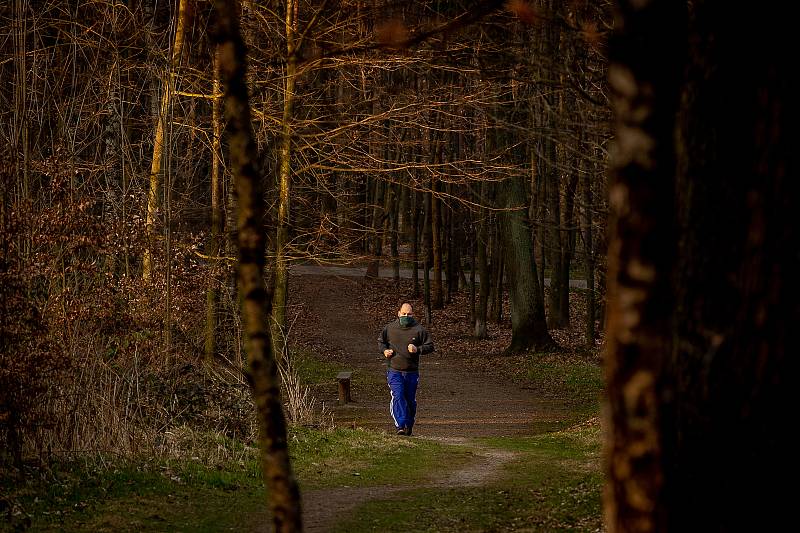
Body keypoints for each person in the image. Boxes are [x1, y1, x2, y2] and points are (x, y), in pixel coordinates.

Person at [378, 303, 434, 436]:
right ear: (398, 314)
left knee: (409, 399)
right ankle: (400, 426)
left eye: (409, 314)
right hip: (394, 370)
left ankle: (409, 424)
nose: (406, 316)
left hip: (411, 371)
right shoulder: (390, 328)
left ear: (413, 315)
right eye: (404, 314)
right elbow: (381, 342)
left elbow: (430, 346)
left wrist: (418, 349)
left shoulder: (419, 330)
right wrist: (385, 350)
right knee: (398, 395)